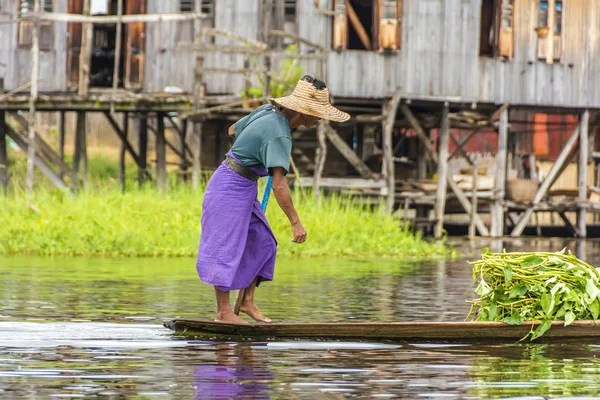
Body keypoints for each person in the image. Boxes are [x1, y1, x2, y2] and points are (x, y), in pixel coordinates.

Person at [196, 75, 350, 324]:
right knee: (225, 246)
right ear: (303, 112)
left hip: (244, 185)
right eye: (317, 114)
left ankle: (247, 301)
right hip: (228, 187)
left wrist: (254, 148)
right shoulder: (280, 134)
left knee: (264, 241)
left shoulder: (268, 111)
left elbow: (232, 129)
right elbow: (278, 185)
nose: (320, 118)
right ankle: (223, 313)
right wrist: (296, 222)